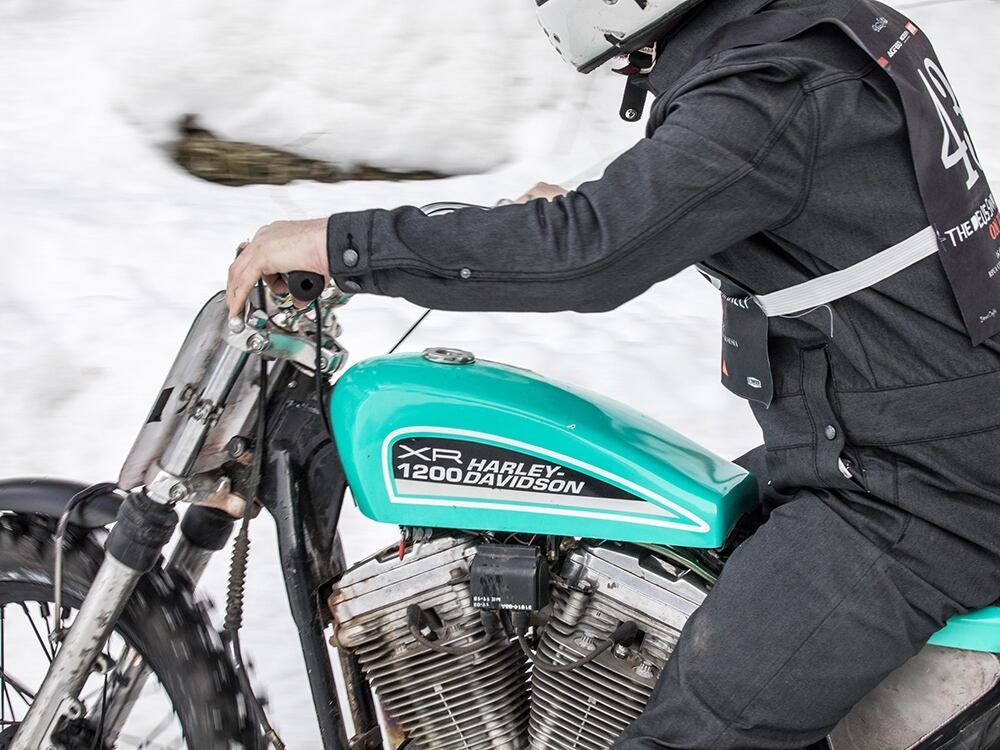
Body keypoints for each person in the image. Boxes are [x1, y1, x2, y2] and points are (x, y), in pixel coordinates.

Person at [226, 0, 1000, 746]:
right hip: (906, 435)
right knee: (631, 563)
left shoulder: (767, 88)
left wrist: (343, 245)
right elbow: (746, 180)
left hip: (909, 491)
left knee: (687, 732)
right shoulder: (812, 31)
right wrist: (597, 208)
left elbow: (588, 254)